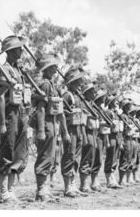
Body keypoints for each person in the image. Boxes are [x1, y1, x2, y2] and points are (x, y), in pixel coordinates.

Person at [0, 35, 31, 203]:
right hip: (10, 115)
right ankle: (3, 192)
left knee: (19, 153)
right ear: (10, 52)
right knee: (7, 151)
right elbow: (1, 98)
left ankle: (10, 190)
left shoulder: (19, 71)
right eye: (18, 49)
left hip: (22, 114)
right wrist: (2, 122)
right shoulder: (5, 70)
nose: (21, 51)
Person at [33, 54, 70, 201]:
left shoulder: (52, 85)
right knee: (44, 157)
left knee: (50, 157)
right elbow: (41, 109)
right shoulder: (45, 85)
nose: (56, 68)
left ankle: (45, 188)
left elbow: (59, 111)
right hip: (46, 124)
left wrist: (63, 131)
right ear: (47, 69)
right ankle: (41, 190)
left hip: (53, 124)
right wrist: (41, 130)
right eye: (53, 66)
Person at [61, 66, 87, 197]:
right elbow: (62, 115)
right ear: (71, 82)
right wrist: (65, 132)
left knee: (76, 158)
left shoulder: (78, 97)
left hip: (78, 130)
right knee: (69, 156)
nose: (80, 84)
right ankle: (67, 186)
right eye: (77, 81)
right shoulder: (67, 95)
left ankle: (72, 184)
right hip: (70, 130)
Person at [80, 83, 102, 192]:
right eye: (92, 91)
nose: (95, 93)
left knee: (95, 158)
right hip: (87, 132)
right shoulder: (84, 104)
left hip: (95, 133)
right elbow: (83, 122)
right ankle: (84, 183)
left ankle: (93, 181)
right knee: (87, 158)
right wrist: (84, 136)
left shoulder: (92, 105)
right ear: (87, 92)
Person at [102, 94, 123, 189]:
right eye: (115, 101)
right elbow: (106, 127)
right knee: (110, 158)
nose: (117, 103)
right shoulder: (108, 112)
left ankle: (112, 177)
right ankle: (108, 179)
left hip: (116, 137)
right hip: (110, 137)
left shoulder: (116, 114)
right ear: (110, 102)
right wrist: (106, 140)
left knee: (115, 158)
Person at [117, 98, 135, 186]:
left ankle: (127, 179)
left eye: (130, 105)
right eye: (128, 105)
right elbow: (120, 130)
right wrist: (120, 142)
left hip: (130, 139)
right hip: (125, 139)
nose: (129, 107)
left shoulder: (129, 117)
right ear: (124, 106)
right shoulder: (122, 116)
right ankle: (121, 180)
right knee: (124, 159)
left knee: (129, 159)